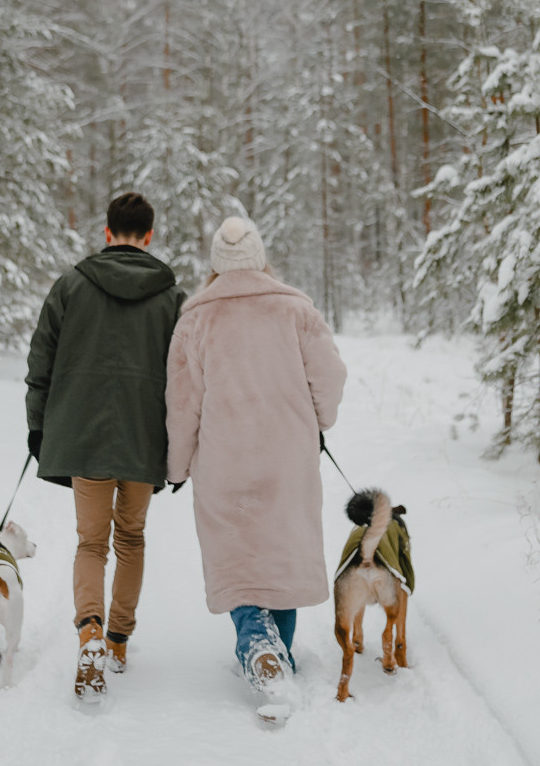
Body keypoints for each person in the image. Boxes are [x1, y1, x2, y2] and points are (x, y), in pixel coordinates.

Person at [165, 216, 347, 724]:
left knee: (240, 556)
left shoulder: (195, 319)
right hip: (288, 456)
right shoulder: (295, 309)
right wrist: (318, 420)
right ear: (261, 257)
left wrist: (177, 465)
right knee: (280, 554)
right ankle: (276, 654)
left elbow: (182, 403)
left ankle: (259, 647)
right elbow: (330, 376)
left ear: (216, 265)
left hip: (223, 460)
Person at [25, 191, 185, 701]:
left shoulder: (71, 286)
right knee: (131, 539)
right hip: (144, 438)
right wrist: (182, 445)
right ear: (151, 235)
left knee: (90, 543)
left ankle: (89, 630)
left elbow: (40, 366)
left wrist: (38, 428)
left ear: (107, 231)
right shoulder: (173, 298)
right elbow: (188, 380)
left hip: (84, 434)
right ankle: (117, 641)